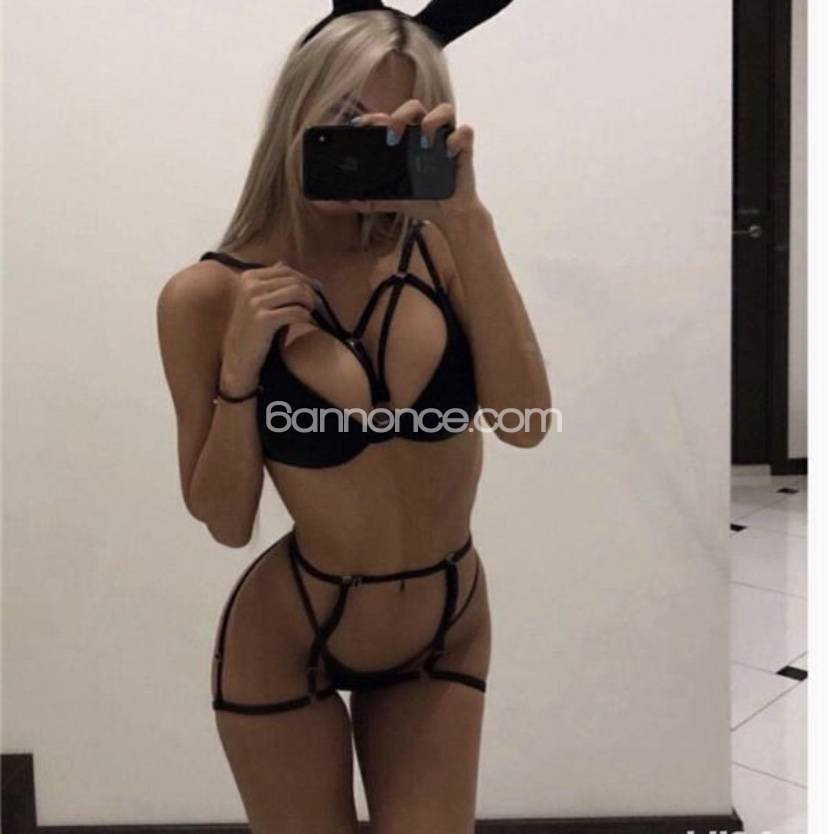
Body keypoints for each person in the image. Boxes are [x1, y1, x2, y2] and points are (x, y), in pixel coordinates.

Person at [156, 3, 550, 831]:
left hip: (447, 622)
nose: (363, 142)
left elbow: (525, 423)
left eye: (391, 125)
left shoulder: (440, 250)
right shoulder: (207, 296)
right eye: (341, 115)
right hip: (291, 632)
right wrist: (240, 371)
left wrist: (468, 219)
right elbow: (226, 521)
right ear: (294, 113)